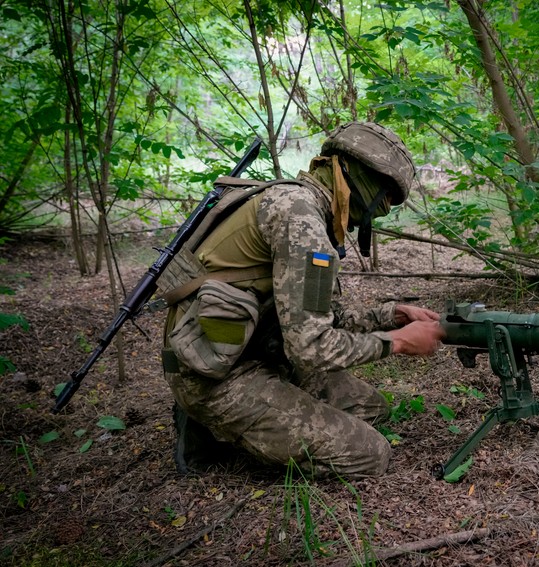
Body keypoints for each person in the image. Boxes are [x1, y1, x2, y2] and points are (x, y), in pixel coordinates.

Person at [161, 122, 446, 478]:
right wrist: (399, 342)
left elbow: (317, 317)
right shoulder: (301, 221)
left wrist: (392, 315)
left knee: (372, 409)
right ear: (357, 176)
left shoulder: (302, 205)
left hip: (254, 351)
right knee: (370, 454)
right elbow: (312, 349)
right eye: (384, 194)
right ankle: (212, 426)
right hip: (216, 376)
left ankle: (253, 415)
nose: (383, 208)